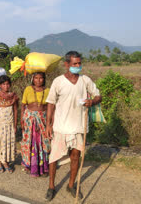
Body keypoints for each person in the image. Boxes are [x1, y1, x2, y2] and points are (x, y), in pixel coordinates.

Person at [44, 51, 102, 201]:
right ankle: (51, 186)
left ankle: (70, 185)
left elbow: (98, 95)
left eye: (79, 63)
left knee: (75, 157)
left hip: (78, 126)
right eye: (74, 64)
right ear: (67, 64)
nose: (78, 66)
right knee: (54, 158)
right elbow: (51, 103)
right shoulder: (58, 81)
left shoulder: (85, 80)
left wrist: (92, 101)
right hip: (60, 127)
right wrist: (48, 125)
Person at [20, 72, 50, 177]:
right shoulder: (28, 89)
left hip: (42, 118)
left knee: (41, 141)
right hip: (29, 119)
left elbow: (50, 107)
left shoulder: (47, 90)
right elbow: (23, 105)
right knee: (30, 141)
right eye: (36, 78)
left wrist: (49, 122)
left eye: (41, 78)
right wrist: (22, 120)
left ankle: (43, 167)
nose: (38, 80)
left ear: (44, 79)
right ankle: (29, 165)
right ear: (33, 79)